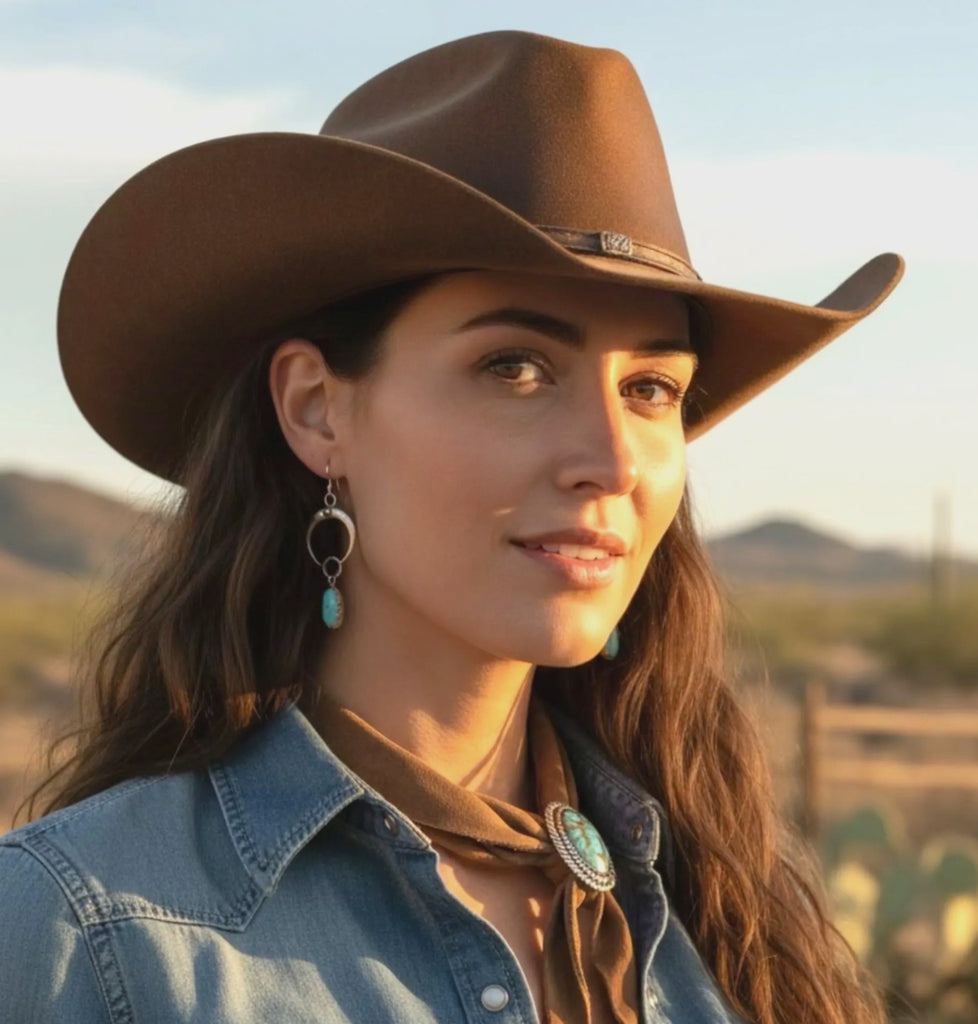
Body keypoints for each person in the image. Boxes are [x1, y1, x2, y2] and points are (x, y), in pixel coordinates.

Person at [0, 29, 902, 1024]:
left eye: (651, 387)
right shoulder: (86, 929)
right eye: (515, 367)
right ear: (315, 410)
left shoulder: (725, 912)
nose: (609, 459)